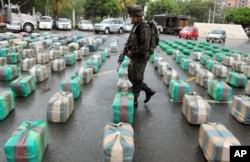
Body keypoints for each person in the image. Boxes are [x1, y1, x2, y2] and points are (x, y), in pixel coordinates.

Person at [125, 5, 155, 108]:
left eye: (132, 16)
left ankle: (134, 100)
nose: (131, 18)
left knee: (137, 78)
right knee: (131, 75)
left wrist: (132, 54)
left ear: (138, 17)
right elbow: (132, 40)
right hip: (135, 57)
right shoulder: (136, 26)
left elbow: (144, 47)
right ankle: (148, 90)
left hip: (141, 57)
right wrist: (127, 48)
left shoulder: (143, 29)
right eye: (131, 16)